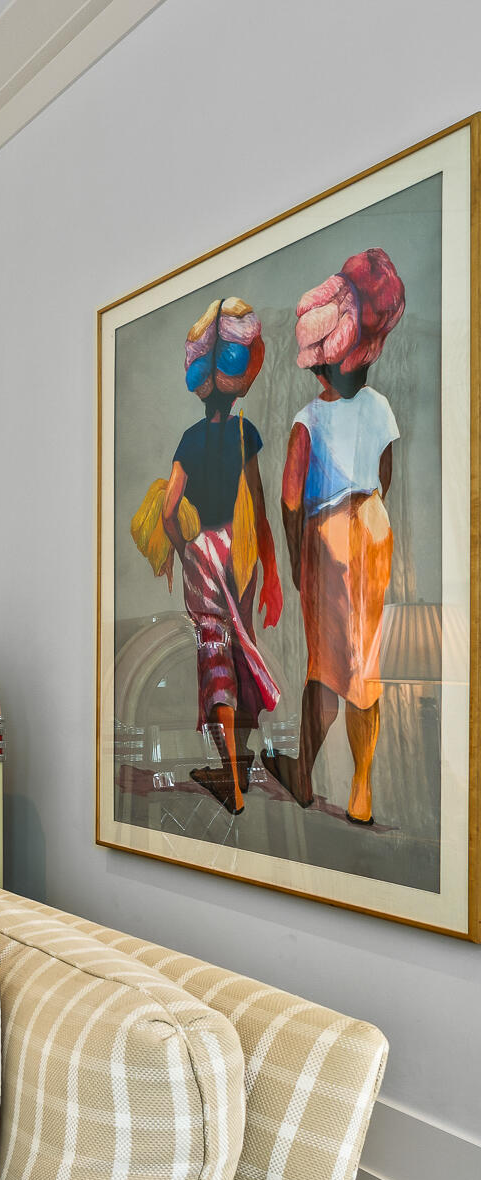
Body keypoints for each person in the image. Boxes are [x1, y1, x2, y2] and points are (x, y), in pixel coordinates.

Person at [266, 248, 406, 825]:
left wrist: (300, 556)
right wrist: (368, 515)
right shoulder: (380, 408)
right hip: (375, 528)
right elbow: (388, 472)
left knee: (324, 667)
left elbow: (291, 498)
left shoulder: (307, 420)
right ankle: (362, 792)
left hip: (328, 536)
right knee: (365, 662)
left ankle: (302, 776)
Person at [160, 297, 284, 813]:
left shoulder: (189, 439)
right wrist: (271, 570)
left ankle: (231, 779)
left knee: (214, 654)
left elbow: (169, 509)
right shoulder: (244, 432)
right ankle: (238, 766)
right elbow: (256, 506)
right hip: (242, 550)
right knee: (240, 647)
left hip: (204, 551)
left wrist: (184, 548)